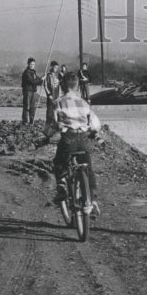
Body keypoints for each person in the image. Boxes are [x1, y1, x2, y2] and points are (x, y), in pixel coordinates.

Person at [45, 72, 102, 213]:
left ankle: (62, 187)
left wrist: (46, 136)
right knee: (88, 169)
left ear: (63, 86)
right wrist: (95, 134)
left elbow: (52, 125)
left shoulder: (58, 102)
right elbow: (95, 124)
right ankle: (93, 199)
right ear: (77, 86)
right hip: (83, 140)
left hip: (68, 140)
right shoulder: (84, 103)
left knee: (59, 163)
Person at [21, 57, 43, 124]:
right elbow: (32, 81)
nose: (32, 66)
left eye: (33, 64)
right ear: (28, 64)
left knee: (32, 107)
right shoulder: (26, 72)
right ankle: (25, 121)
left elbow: (37, 80)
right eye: (31, 64)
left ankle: (31, 121)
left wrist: (42, 79)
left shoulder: (34, 72)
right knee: (27, 106)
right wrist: (40, 80)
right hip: (27, 91)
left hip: (33, 91)